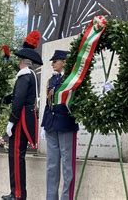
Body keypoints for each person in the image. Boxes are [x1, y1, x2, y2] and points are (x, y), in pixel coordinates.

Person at [2, 31, 43, 200]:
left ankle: (18, 194)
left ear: (23, 62)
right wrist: (10, 97)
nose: (17, 62)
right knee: (16, 155)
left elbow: (19, 100)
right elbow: (21, 96)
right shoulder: (29, 75)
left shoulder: (25, 75)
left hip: (20, 120)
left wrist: (11, 120)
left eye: (19, 60)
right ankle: (16, 192)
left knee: (16, 156)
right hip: (25, 117)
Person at [41, 50, 78, 200]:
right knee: (51, 166)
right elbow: (48, 104)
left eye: (55, 61)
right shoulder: (51, 80)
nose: (52, 63)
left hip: (66, 125)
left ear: (63, 61)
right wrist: (44, 124)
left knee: (67, 166)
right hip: (51, 125)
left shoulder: (70, 79)